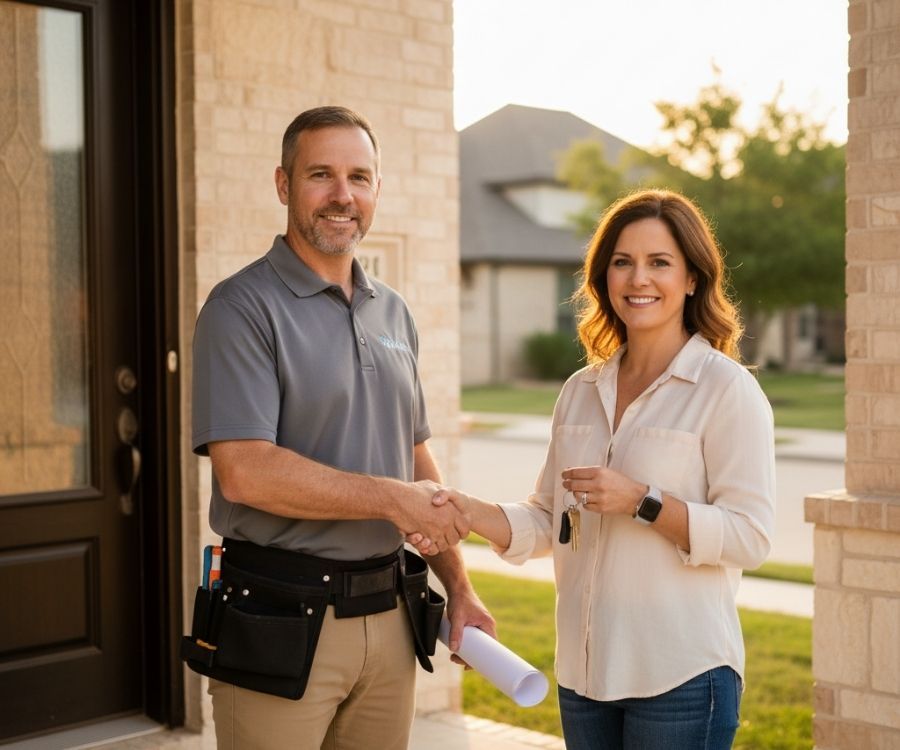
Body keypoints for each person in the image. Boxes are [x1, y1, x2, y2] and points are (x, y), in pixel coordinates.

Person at [412, 189, 775, 749]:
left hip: (681, 677)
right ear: (604, 277)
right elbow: (547, 518)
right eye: (622, 262)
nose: (638, 279)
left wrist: (642, 501)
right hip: (584, 677)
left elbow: (750, 537)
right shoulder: (580, 390)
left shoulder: (727, 390)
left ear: (692, 279)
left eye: (659, 262)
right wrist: (468, 510)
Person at [190, 105, 493, 750]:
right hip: (279, 615)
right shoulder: (240, 307)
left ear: (377, 189)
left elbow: (413, 454)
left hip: (390, 616)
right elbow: (244, 471)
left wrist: (460, 586)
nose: (342, 195)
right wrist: (391, 499)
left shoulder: (394, 311)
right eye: (320, 174)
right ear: (283, 185)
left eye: (359, 177)